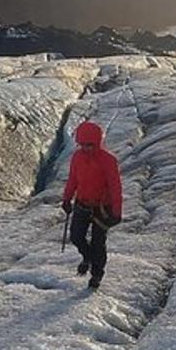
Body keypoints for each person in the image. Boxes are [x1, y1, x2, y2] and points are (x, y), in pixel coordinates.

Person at [61, 120, 123, 289]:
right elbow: (73, 179)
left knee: (98, 243)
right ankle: (88, 257)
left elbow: (115, 187)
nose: (86, 148)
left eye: (90, 145)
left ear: (97, 142)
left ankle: (97, 274)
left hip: (102, 209)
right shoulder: (77, 157)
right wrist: (67, 199)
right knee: (76, 236)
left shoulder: (108, 160)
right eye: (82, 145)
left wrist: (116, 212)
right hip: (82, 204)